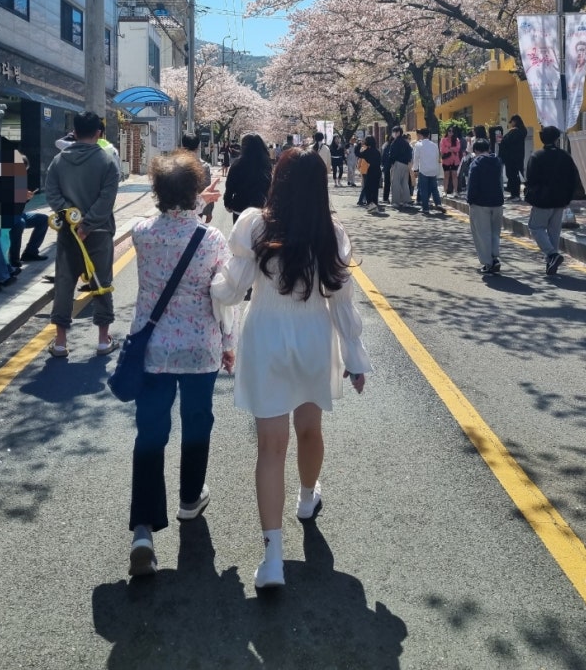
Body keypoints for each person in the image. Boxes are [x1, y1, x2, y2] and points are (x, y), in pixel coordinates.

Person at [210, 148, 371, 590]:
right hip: (313, 341)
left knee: (270, 448)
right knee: (310, 431)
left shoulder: (253, 223)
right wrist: (355, 360)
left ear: (276, 180)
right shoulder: (331, 230)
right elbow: (342, 302)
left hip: (266, 339)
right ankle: (306, 498)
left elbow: (231, 289)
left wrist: (209, 286)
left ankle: (273, 559)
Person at [127, 151, 234, 577]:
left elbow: (170, 222)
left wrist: (190, 200)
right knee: (197, 422)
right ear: (194, 194)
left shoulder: (141, 233)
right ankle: (190, 499)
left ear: (155, 192)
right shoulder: (212, 241)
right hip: (199, 349)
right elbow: (223, 299)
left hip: (154, 350)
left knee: (151, 433)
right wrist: (229, 344)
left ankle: (142, 530)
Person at [45, 110, 120, 357]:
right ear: (98, 133)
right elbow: (106, 199)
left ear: (74, 132)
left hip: (68, 233)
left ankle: (60, 341)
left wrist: (71, 216)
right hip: (98, 232)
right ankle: (102, 340)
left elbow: (52, 193)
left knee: (65, 283)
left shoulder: (59, 161)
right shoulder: (107, 161)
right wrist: (87, 225)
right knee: (101, 283)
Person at [524, 126, 581, 275]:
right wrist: (568, 197)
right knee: (554, 231)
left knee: (536, 227)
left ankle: (552, 254)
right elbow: (574, 178)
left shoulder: (537, 156)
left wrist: (529, 194)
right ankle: (551, 262)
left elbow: (530, 179)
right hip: (561, 199)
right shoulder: (565, 156)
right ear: (556, 139)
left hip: (542, 199)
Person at [466, 138, 504, 273]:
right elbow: (500, 183)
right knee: (495, 232)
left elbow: (472, 184)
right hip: (497, 202)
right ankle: (494, 257)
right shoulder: (497, 161)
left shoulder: (476, 163)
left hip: (480, 203)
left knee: (482, 234)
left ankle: (489, 262)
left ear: (476, 150)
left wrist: (469, 200)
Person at [223, 132, 272, 224]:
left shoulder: (237, 164)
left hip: (240, 206)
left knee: (239, 236)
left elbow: (230, 186)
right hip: (260, 207)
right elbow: (269, 185)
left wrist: (228, 202)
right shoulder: (266, 164)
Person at [9, 155, 50, 265]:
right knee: (19, 224)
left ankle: (30, 252)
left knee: (44, 219)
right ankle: (14, 258)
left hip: (18, 214)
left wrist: (26, 198)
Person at [182, 133, 214, 223]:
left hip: (175, 207)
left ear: (183, 146)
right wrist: (209, 212)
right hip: (196, 207)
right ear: (198, 147)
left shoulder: (173, 164)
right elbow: (207, 190)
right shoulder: (204, 166)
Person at [415, 129, 445, 214]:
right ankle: (438, 203)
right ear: (429, 135)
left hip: (423, 169)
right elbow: (437, 157)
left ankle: (425, 208)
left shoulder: (418, 145)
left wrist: (415, 169)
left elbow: (416, 158)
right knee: (434, 188)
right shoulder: (434, 145)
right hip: (433, 169)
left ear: (421, 135)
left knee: (424, 189)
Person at [499, 115, 528, 201]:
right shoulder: (521, 131)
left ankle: (515, 194)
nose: (511, 124)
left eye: (511, 122)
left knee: (513, 176)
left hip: (512, 157)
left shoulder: (515, 131)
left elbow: (506, 141)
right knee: (514, 175)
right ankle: (514, 194)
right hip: (517, 156)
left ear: (515, 121)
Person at [355, 135, 382, 213]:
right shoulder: (377, 151)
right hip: (377, 171)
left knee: (367, 189)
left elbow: (358, 154)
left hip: (371, 171)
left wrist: (359, 144)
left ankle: (371, 205)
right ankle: (374, 205)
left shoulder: (368, 151)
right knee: (375, 189)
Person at [388, 127, 413, 208]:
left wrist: (391, 162)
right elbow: (410, 153)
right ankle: (406, 201)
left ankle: (396, 202)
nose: (393, 134)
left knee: (395, 183)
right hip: (405, 164)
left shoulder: (395, 142)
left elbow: (392, 154)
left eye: (394, 132)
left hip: (397, 163)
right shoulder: (406, 143)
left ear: (398, 132)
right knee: (404, 183)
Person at [439, 126, 462, 196]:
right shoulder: (443, 140)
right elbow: (442, 149)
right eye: (449, 131)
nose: (451, 133)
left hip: (455, 160)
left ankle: (455, 191)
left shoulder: (456, 140)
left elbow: (458, 149)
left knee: (454, 175)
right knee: (446, 176)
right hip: (446, 160)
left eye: (452, 131)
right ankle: (444, 191)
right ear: (447, 131)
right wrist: (452, 149)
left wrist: (448, 148)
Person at [381, 134, 393, 203]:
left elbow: (382, 158)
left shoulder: (385, 146)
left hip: (386, 167)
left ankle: (385, 198)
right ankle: (386, 198)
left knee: (387, 183)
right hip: (389, 167)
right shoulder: (389, 146)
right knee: (388, 183)